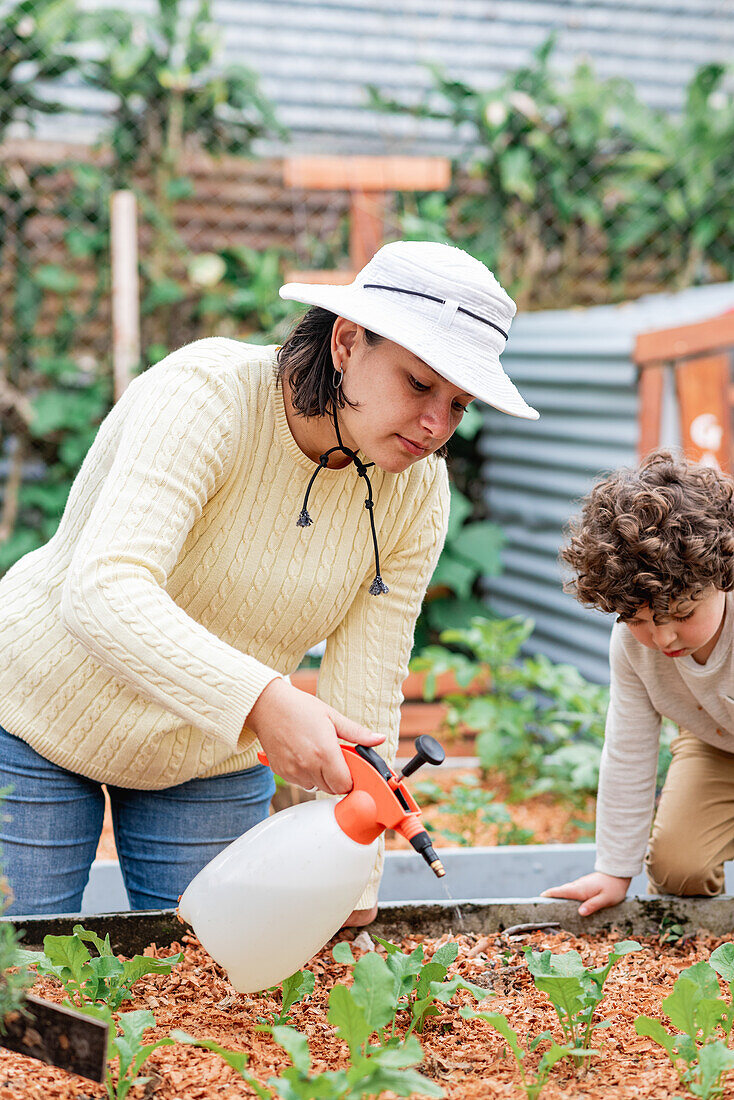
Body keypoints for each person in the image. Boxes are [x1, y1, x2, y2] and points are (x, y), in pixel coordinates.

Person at [0, 240, 538, 918]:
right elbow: (104, 589)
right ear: (346, 342)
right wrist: (264, 703)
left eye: (459, 404)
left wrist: (355, 887)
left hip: (206, 754)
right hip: (38, 716)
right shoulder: (207, 396)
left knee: (208, 973)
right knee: (20, 975)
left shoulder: (417, 493)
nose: (436, 425)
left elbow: (364, 692)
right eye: (419, 384)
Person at [542, 449, 734, 915]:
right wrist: (614, 868)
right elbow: (628, 752)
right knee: (676, 868)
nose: (663, 636)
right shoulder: (632, 649)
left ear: (723, 579)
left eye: (683, 614)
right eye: (641, 620)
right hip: (717, 742)